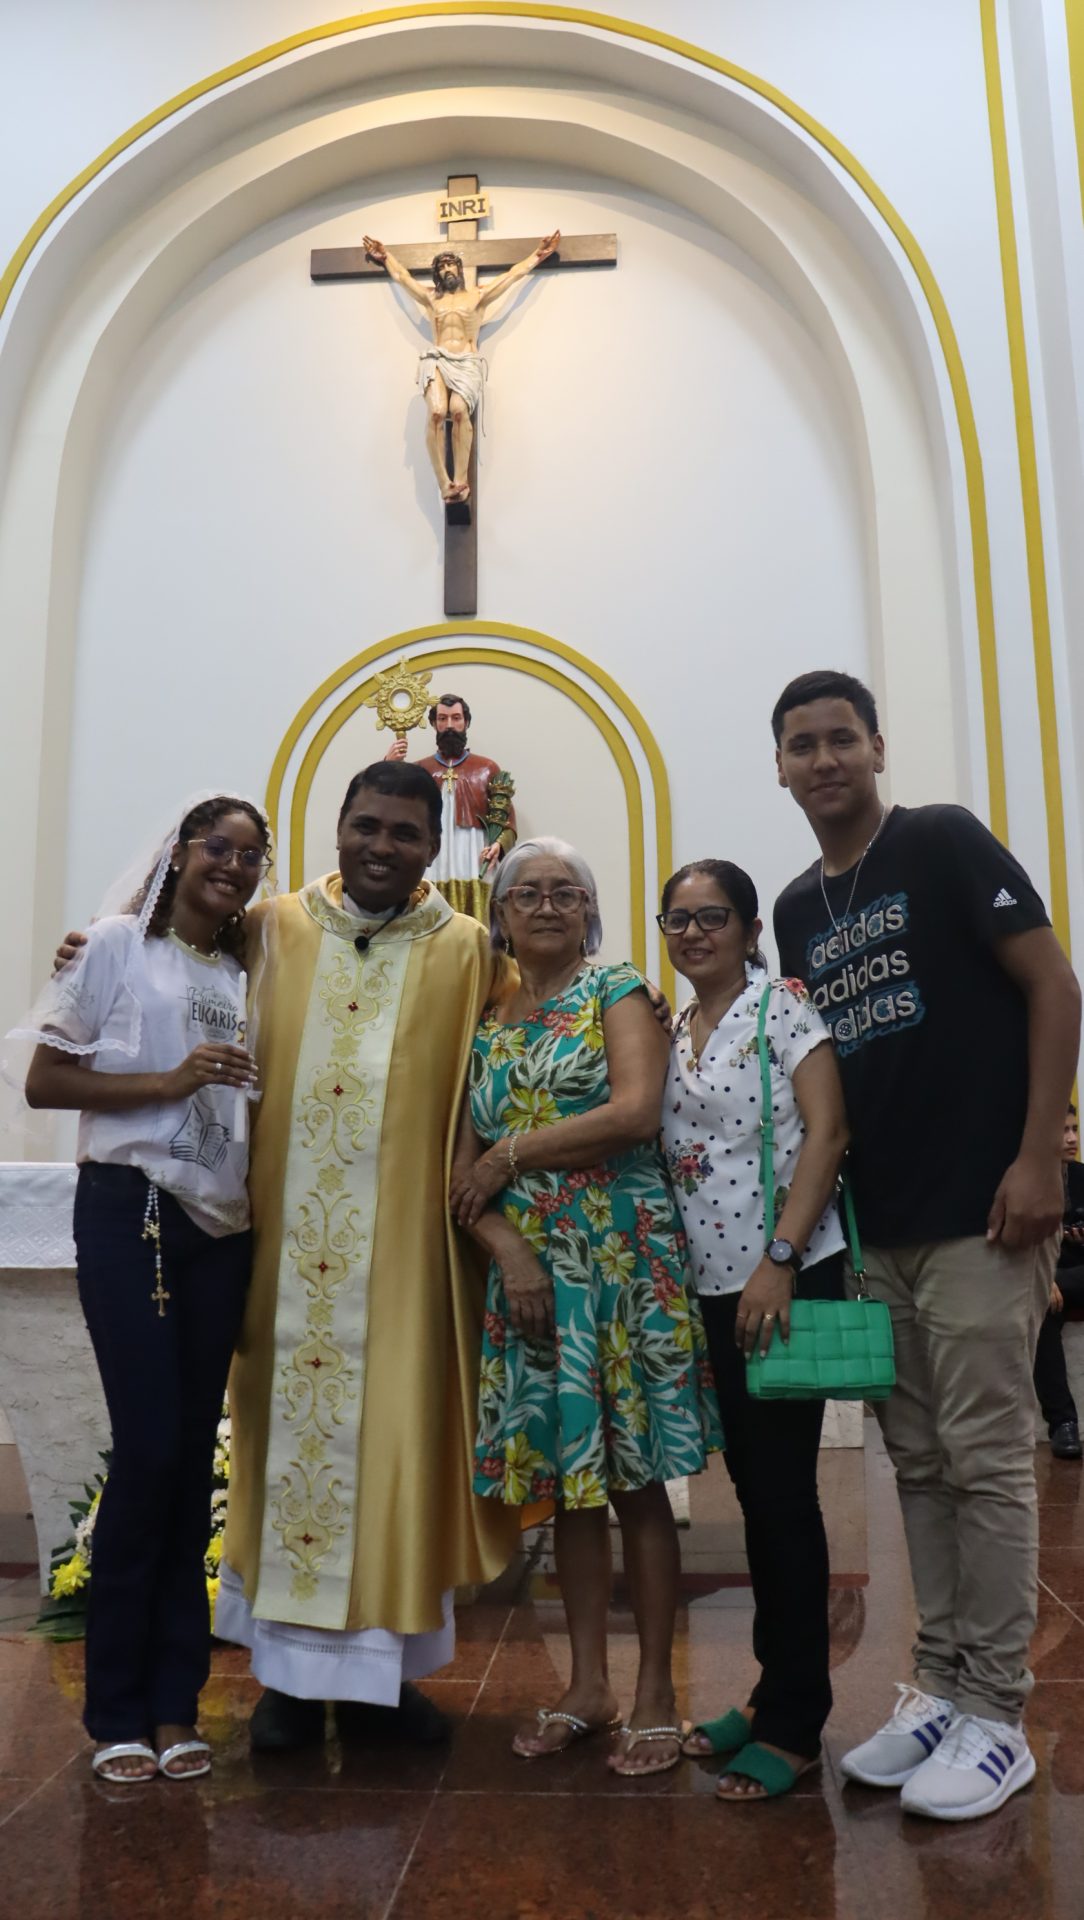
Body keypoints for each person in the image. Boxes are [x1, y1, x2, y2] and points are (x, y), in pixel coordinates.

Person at [771, 668, 1081, 1822]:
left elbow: (1053, 985)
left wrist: (1040, 1158)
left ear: (876, 746)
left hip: (983, 1208)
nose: (823, 759)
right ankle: (943, 1687)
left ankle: (998, 1713)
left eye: (840, 737)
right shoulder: (796, 907)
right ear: (779, 767)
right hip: (881, 1225)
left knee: (988, 1458)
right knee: (918, 1461)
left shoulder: (941, 839)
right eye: (801, 744)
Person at [213, 760, 521, 1750]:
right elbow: (175, 967)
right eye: (365, 826)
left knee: (398, 1450)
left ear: (433, 845)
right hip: (281, 1259)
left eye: (403, 832)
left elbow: (504, 1082)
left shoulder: (470, 951)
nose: (381, 846)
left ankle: (383, 1681)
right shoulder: (271, 929)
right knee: (281, 1447)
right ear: (337, 826)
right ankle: (286, 1687)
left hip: (408, 1263)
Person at [11, 794, 270, 1784]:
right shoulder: (118, 946)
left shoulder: (247, 972)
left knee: (189, 1452)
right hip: (136, 1211)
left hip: (221, 1226)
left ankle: (176, 1705)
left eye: (251, 855)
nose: (233, 866)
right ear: (180, 852)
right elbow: (45, 1080)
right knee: (151, 1446)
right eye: (218, 847)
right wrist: (167, 1081)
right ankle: (116, 1706)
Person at [450, 838, 723, 1777]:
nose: (547, 905)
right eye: (527, 893)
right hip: (532, 1278)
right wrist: (509, 1248)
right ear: (500, 912)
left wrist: (511, 1156)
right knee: (572, 1485)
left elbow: (635, 1112)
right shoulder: (484, 1015)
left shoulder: (617, 991)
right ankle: (587, 1686)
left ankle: (655, 1693)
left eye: (567, 892)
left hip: (619, 1262)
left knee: (637, 1481)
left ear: (591, 912)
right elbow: (460, 1170)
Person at [657, 859, 850, 1803]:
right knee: (751, 1493)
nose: (696, 933)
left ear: (748, 929)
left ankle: (796, 1722)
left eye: (714, 916)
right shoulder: (674, 1029)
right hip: (707, 1288)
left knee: (781, 1498)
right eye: (679, 919)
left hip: (779, 1278)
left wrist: (779, 1257)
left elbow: (828, 1132)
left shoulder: (783, 1012)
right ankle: (772, 1692)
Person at [360, 231, 560, 503]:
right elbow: (402, 277)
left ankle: (461, 480)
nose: (446, 269)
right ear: (437, 274)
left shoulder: (478, 296)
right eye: (441, 267)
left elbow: (513, 275)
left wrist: (538, 254)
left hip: (466, 360)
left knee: (458, 411)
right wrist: (386, 257)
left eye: (450, 264)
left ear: (459, 268)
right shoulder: (432, 298)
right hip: (437, 358)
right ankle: (445, 484)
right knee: (436, 412)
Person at [385, 691, 517, 922]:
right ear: (434, 724)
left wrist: (498, 844)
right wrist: (389, 765)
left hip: (474, 857)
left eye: (456, 718)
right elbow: (392, 811)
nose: (449, 725)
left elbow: (505, 818)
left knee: (477, 919)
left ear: (466, 723)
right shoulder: (419, 771)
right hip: (433, 858)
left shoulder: (486, 768)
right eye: (443, 718)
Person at [1033, 1103, 1084, 1457]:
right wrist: (1043, 1277)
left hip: (1076, 1276)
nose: (1071, 1139)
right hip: (1049, 1280)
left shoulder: (1082, 1176)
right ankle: (1064, 1423)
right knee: (1040, 1309)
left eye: (1075, 1129)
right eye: (1063, 1131)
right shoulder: (1029, 1185)